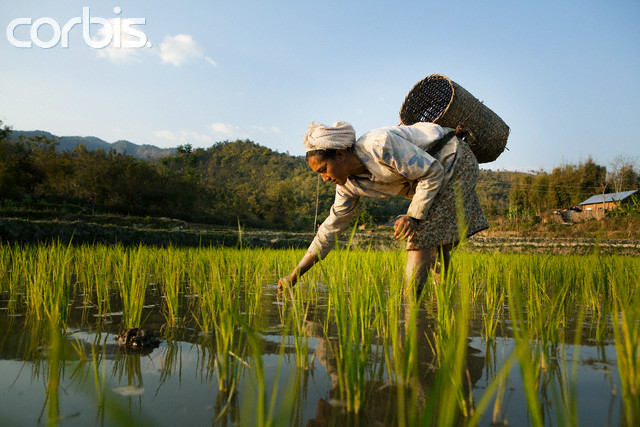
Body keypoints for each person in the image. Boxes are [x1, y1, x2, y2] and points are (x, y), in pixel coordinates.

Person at [278, 121, 488, 295]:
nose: (324, 178)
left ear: (341, 155)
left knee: (419, 235)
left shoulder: (379, 145)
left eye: (324, 169)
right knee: (436, 247)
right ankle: (442, 305)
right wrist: (294, 275)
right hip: (432, 179)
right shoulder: (347, 186)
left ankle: (410, 310)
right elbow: (329, 230)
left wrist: (413, 216)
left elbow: (432, 171)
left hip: (454, 161)